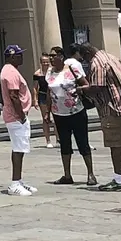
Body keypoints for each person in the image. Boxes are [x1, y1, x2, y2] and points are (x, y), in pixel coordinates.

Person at [72, 42, 121, 190]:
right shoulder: (111, 57)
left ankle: (118, 179)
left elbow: (97, 87)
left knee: (115, 145)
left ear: (87, 53)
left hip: (113, 108)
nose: (86, 62)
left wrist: (81, 89)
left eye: (84, 59)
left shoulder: (97, 63)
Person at [46, 47, 95, 185]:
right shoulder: (49, 72)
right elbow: (49, 92)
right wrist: (47, 112)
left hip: (76, 111)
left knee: (82, 142)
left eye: (53, 55)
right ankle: (67, 175)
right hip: (59, 113)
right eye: (49, 56)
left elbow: (86, 85)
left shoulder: (72, 69)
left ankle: (90, 174)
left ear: (61, 56)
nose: (50, 58)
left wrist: (78, 90)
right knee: (64, 144)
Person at [0, 45, 36, 196]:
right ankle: (14, 183)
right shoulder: (10, 72)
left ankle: (19, 180)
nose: (21, 57)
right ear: (11, 57)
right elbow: (14, 95)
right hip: (16, 116)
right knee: (18, 149)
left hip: (16, 115)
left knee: (21, 148)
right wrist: (21, 115)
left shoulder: (10, 70)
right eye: (19, 55)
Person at [34, 55, 55, 148]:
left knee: (56, 118)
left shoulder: (53, 71)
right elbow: (35, 88)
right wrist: (35, 99)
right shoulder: (37, 74)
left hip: (53, 95)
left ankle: (58, 138)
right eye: (44, 62)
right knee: (45, 118)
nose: (46, 64)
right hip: (42, 96)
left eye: (47, 62)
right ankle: (48, 140)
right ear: (41, 63)